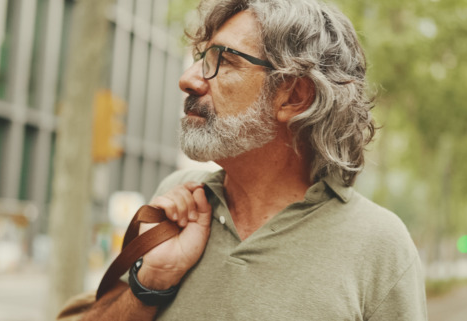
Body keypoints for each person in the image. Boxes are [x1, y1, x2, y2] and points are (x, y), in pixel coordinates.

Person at [68, 0, 427, 319]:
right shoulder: (178, 197)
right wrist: (151, 284)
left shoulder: (380, 244)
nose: (188, 79)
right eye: (200, 57)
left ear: (295, 97)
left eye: (224, 61)